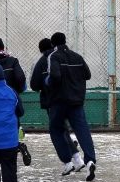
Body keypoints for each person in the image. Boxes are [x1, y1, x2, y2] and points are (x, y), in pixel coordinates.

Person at [46, 32, 96, 181]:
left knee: (56, 129)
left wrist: (48, 82)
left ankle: (67, 159)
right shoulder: (77, 57)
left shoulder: (53, 57)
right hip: (77, 101)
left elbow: (54, 76)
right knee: (82, 131)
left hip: (59, 101)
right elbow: (87, 74)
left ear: (53, 44)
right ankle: (90, 160)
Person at [30, 38, 85, 174]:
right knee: (64, 129)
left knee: (58, 131)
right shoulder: (65, 57)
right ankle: (77, 159)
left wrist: (45, 85)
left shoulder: (42, 62)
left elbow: (34, 84)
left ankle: (69, 162)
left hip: (52, 101)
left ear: (41, 50)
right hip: (71, 98)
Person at [0, 36, 31, 166]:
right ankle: (16, 147)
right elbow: (21, 79)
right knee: (12, 129)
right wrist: (16, 92)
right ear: (3, 47)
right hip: (11, 100)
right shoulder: (12, 61)